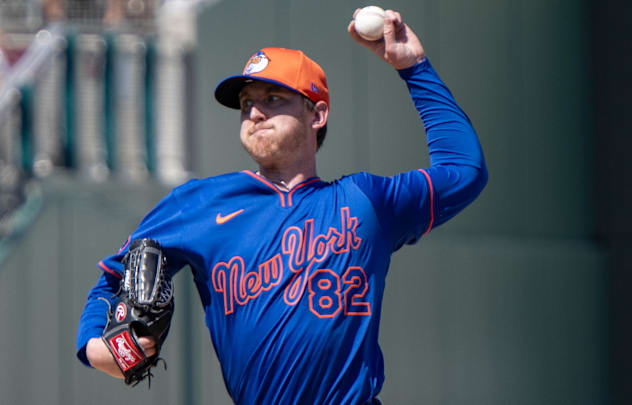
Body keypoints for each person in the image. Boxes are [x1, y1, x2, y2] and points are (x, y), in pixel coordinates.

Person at [76, 8, 488, 405]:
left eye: (273, 98)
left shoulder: (366, 202)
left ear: (317, 114)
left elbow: (464, 170)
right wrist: (98, 347)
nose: (254, 112)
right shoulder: (200, 203)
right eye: (246, 104)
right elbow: (113, 277)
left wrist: (414, 67)